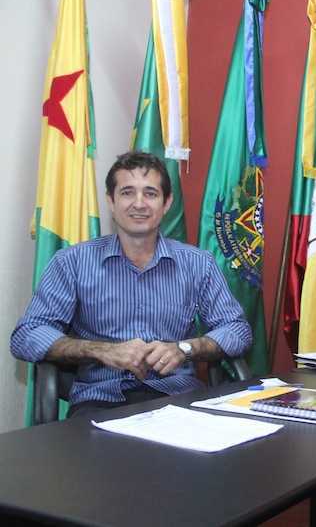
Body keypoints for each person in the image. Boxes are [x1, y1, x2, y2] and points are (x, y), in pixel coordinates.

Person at [11, 151, 252, 418]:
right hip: (100, 401)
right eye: (127, 192)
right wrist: (102, 351)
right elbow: (27, 334)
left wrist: (185, 348)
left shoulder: (198, 263)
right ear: (111, 201)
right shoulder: (72, 262)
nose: (139, 203)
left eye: (150, 193)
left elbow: (237, 330)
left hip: (178, 399)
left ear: (167, 203)